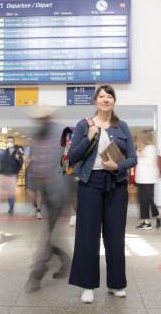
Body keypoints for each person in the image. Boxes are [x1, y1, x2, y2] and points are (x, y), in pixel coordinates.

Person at [68, 85, 137, 303]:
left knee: (115, 236)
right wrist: (88, 137)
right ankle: (87, 286)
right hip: (90, 184)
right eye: (101, 96)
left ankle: (116, 284)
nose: (105, 99)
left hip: (116, 184)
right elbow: (72, 157)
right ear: (95, 100)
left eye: (109, 96)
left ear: (114, 101)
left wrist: (116, 167)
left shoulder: (122, 126)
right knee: (87, 236)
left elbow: (133, 158)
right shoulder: (84, 125)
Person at [24, 104, 73, 292]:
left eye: (43, 117)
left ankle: (36, 273)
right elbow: (34, 162)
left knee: (48, 235)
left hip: (60, 190)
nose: (40, 121)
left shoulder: (62, 133)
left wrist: (72, 192)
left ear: (49, 117)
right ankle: (67, 262)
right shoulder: (37, 135)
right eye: (38, 118)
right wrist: (32, 186)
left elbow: (70, 161)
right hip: (44, 190)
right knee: (51, 233)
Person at [135, 130, 161, 229]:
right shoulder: (144, 148)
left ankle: (147, 223)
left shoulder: (151, 148)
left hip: (148, 179)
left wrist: (140, 155)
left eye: (140, 137)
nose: (138, 139)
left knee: (144, 200)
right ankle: (158, 216)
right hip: (141, 179)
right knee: (146, 200)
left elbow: (151, 163)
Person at [2, 136, 23, 215]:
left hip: (14, 174)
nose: (9, 143)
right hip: (6, 174)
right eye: (8, 141)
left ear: (13, 143)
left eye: (11, 141)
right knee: (9, 192)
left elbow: (21, 164)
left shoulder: (17, 152)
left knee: (11, 191)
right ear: (7, 142)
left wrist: (18, 159)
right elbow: (3, 163)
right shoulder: (5, 152)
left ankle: (11, 208)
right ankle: (11, 206)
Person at [24, 145, 42, 220]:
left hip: (40, 172)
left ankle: (38, 211)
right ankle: (35, 206)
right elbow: (25, 161)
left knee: (39, 192)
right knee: (29, 192)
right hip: (31, 172)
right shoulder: (29, 148)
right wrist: (31, 158)